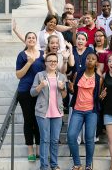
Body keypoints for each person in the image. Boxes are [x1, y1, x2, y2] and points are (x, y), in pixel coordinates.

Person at [30, 52, 67, 170]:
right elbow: (32, 93)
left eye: (55, 61)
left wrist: (62, 88)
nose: (52, 63)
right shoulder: (39, 75)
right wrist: (40, 86)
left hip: (57, 112)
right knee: (44, 139)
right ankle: (44, 166)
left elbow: (65, 95)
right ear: (45, 63)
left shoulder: (61, 76)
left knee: (55, 140)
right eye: (50, 61)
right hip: (43, 112)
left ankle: (54, 164)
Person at [67, 53, 103, 170]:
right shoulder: (78, 74)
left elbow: (98, 97)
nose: (90, 61)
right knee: (71, 136)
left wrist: (102, 96)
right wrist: (71, 89)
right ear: (85, 60)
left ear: (96, 63)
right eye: (88, 58)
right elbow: (73, 91)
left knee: (89, 138)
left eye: (93, 59)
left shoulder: (99, 78)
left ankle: (88, 165)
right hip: (77, 110)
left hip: (91, 112)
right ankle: (77, 163)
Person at [15, 32, 45, 162]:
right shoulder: (22, 55)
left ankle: (39, 148)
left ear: (36, 40)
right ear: (25, 41)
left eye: (33, 38)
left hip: (40, 92)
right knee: (29, 121)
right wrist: (29, 63)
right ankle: (30, 150)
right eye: (29, 38)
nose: (31, 39)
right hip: (25, 92)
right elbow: (18, 75)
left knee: (39, 119)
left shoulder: (43, 55)